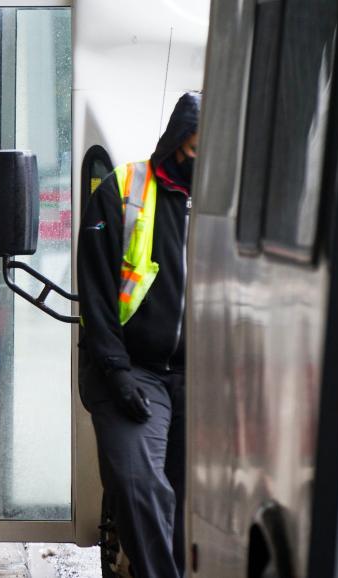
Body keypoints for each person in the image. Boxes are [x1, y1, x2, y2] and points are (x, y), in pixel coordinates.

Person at [77, 92, 200, 578]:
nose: (199, 161)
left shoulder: (232, 199)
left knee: (190, 502)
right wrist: (115, 369)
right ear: (175, 144)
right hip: (132, 370)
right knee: (138, 484)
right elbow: (98, 292)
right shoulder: (123, 188)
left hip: (203, 375)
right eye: (192, 150)